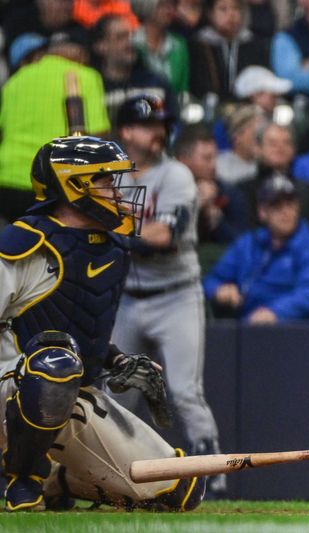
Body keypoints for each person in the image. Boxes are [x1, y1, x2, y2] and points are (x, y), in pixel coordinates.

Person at [0, 135, 204, 511]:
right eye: (106, 180)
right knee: (53, 366)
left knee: (178, 490)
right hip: (9, 392)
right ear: (71, 184)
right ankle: (20, 481)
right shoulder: (23, 242)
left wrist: (115, 360)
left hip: (63, 396)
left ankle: (56, 480)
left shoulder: (110, 245)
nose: (117, 190)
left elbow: (71, 328)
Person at [110, 95, 227, 497]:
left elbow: (162, 236)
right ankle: (117, 474)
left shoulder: (176, 175)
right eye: (148, 125)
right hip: (127, 298)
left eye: (161, 125)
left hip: (175, 295)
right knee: (117, 394)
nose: (158, 132)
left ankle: (214, 477)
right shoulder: (110, 176)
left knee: (185, 391)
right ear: (126, 131)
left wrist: (107, 229)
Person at [0, 34, 110, 224]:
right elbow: (97, 135)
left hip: (7, 181)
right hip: (52, 184)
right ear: (78, 53)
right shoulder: (84, 76)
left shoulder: (15, 79)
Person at [203, 177, 309, 324]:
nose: (285, 212)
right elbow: (212, 279)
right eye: (276, 206)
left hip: (304, 331)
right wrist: (219, 290)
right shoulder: (249, 243)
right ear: (262, 212)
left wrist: (275, 312)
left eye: (290, 204)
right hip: (251, 329)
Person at [174, 124, 247, 244]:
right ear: (183, 159)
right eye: (207, 158)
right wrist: (196, 205)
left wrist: (216, 219)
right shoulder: (164, 189)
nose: (214, 165)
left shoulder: (228, 192)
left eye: (215, 157)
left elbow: (240, 243)